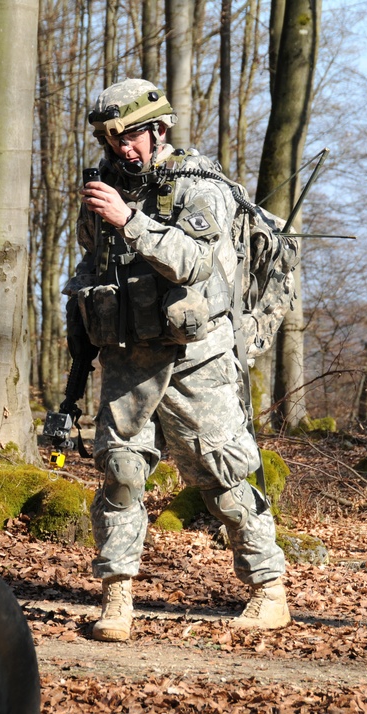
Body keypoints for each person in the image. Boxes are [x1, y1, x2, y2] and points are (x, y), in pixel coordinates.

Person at [64, 78, 290, 642]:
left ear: (158, 129)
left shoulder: (200, 184)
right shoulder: (106, 185)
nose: (120, 148)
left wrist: (127, 220)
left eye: (128, 136)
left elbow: (192, 262)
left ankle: (270, 589)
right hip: (128, 354)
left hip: (196, 354)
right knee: (120, 471)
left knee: (224, 472)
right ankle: (117, 597)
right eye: (109, 138)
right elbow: (91, 266)